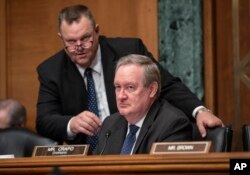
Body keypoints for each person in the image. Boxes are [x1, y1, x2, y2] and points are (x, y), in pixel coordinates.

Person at [36, 4, 223, 147]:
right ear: (61, 38)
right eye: (71, 41)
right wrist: (71, 123)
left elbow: (166, 85)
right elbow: (44, 120)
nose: (79, 46)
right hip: (85, 159)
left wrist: (199, 110)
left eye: (85, 38)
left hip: (133, 146)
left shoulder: (129, 50)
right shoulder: (51, 70)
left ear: (97, 31)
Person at [94, 54, 192, 154]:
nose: (121, 96)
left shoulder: (172, 125)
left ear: (152, 90)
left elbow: (163, 169)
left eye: (130, 87)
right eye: (118, 87)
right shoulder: (110, 124)